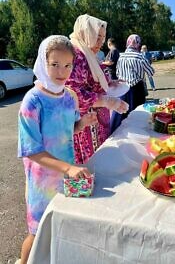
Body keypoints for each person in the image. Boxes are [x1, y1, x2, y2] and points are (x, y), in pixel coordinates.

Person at [17, 35, 98, 264]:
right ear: (43, 62)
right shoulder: (32, 101)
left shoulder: (68, 96)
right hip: (42, 181)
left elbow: (67, 129)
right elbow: (32, 149)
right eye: (55, 64)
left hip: (66, 175)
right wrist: (69, 168)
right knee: (37, 233)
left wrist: (82, 123)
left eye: (67, 65)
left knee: (61, 225)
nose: (62, 72)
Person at [66, 14, 128, 164]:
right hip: (87, 124)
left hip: (97, 120)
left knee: (102, 163)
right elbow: (74, 93)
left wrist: (110, 82)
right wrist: (106, 101)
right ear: (85, 33)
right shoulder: (76, 55)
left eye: (103, 37)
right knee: (94, 166)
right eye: (97, 37)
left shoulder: (88, 53)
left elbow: (94, 79)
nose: (100, 42)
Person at [111, 34, 154, 132]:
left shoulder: (121, 56)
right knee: (137, 118)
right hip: (136, 90)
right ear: (138, 44)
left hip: (122, 90)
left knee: (122, 117)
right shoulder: (140, 57)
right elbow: (151, 72)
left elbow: (117, 73)